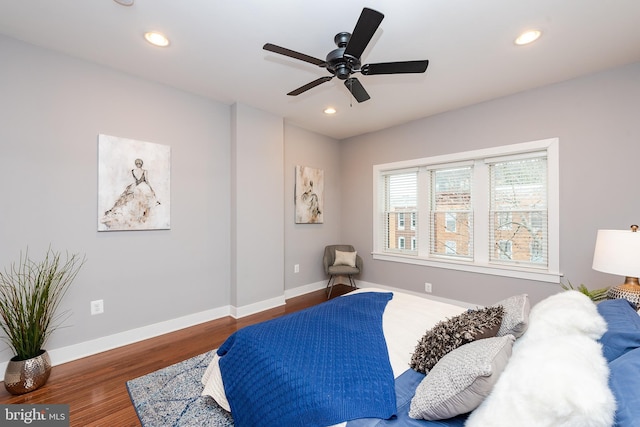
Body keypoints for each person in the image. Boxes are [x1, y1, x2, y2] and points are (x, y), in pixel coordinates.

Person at [101, 158, 160, 228]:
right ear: (141, 164)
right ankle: (141, 218)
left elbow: (133, 180)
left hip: (135, 186)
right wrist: (152, 190)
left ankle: (112, 210)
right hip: (143, 186)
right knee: (146, 202)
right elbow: (147, 181)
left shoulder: (133, 171)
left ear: (136, 164)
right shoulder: (144, 171)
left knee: (125, 198)